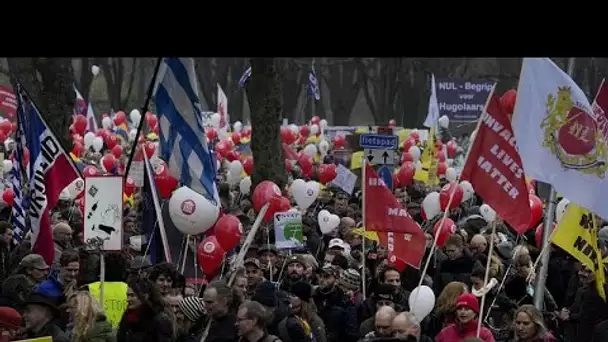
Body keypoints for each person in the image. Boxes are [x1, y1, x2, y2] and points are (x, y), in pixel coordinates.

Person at [116, 278, 176, 342]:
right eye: (127, 295)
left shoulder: (160, 320)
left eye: (132, 295)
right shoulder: (127, 316)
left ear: (145, 296)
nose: (128, 299)